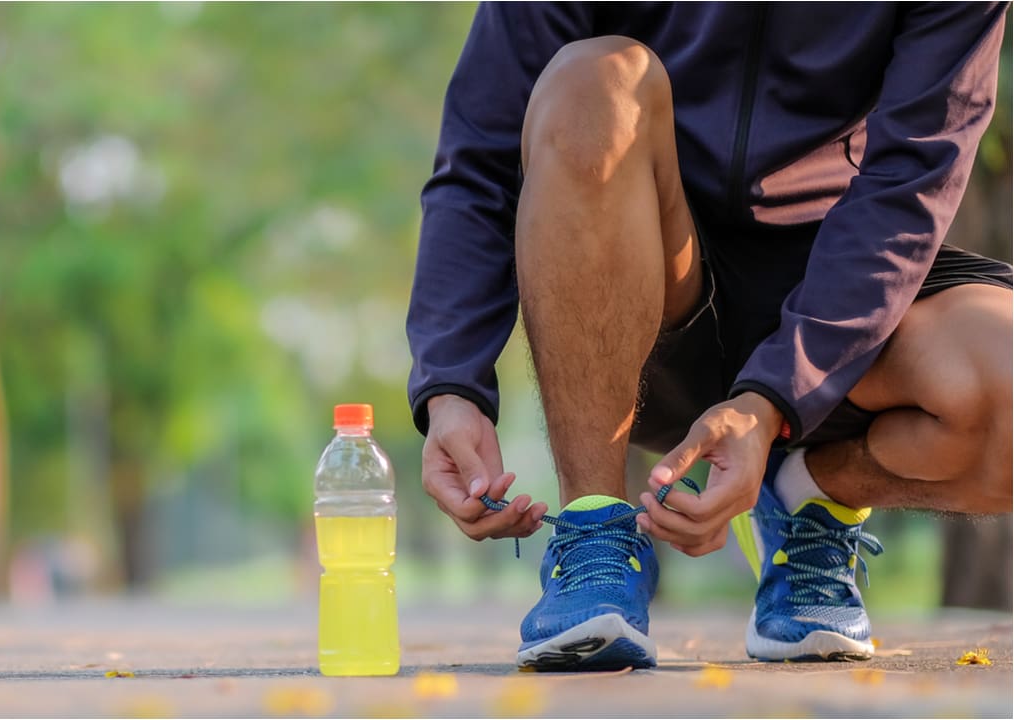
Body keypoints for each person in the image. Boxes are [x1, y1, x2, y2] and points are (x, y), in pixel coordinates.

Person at [406, 3, 1012, 670]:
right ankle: (595, 533)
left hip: (848, 286)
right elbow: (478, 159)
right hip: (650, 276)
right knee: (592, 79)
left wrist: (775, 397)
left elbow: (911, 181)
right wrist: (451, 385)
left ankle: (811, 494)